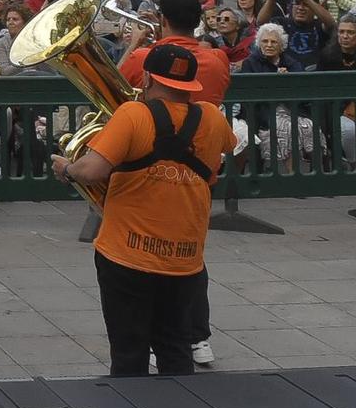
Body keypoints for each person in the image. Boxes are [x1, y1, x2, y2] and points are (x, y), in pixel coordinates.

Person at [55, 44, 234, 376]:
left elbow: (91, 171)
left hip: (127, 255)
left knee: (129, 350)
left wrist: (67, 168)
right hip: (185, 258)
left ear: (148, 78)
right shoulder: (212, 117)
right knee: (176, 346)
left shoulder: (133, 115)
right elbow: (221, 158)